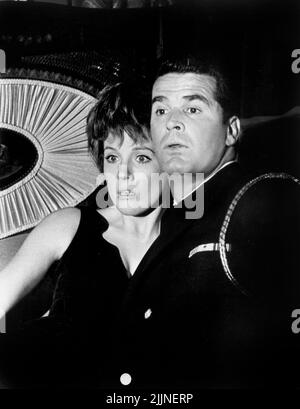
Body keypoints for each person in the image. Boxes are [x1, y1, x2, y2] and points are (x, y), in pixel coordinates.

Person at [106, 56, 300, 389]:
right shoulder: (176, 217)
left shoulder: (265, 198)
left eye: (193, 109)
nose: (172, 123)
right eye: (161, 110)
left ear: (232, 130)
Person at [0, 81, 168, 387]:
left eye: (142, 157)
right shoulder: (69, 225)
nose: (123, 174)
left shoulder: (189, 243)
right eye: (113, 158)